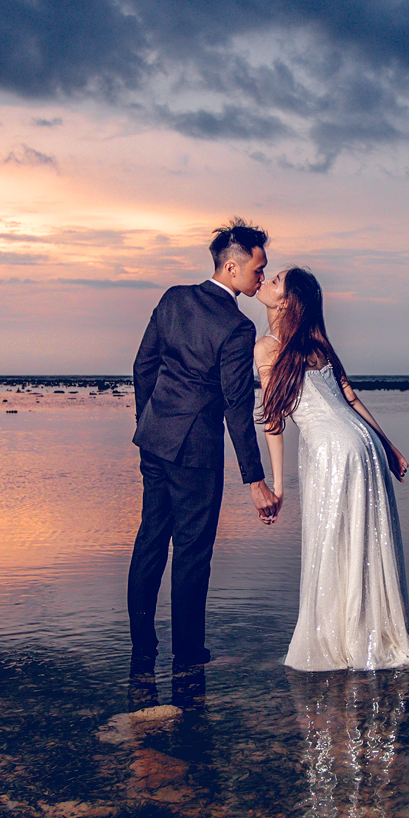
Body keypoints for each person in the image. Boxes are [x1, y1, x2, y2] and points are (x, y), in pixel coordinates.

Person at [253, 266, 409, 671]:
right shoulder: (317, 342)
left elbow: (273, 420)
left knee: (333, 540)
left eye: (276, 281)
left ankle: (338, 642)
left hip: (332, 450)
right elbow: (352, 400)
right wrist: (387, 445)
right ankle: (365, 635)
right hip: (361, 445)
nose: (267, 282)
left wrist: (277, 487)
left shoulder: (267, 346)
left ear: (286, 301)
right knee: (361, 540)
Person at [127, 220, 282, 677]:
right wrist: (255, 481)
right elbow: (237, 406)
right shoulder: (236, 327)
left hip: (154, 442)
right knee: (192, 553)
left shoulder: (173, 298)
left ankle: (142, 652)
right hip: (195, 453)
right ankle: (188, 652)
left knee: (150, 542)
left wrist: (149, 423)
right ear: (231, 267)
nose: (261, 275)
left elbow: (142, 368)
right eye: (258, 268)